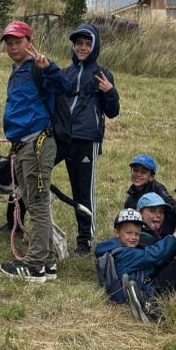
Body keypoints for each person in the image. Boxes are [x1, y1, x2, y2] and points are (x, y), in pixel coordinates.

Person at [0, 21, 68, 282]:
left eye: (18, 41)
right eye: (9, 42)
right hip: (22, 145)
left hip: (38, 143)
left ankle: (35, 265)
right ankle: (47, 263)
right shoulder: (16, 72)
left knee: (37, 203)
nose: (13, 46)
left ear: (30, 42)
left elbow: (64, 86)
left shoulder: (39, 68)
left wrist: (49, 68)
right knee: (32, 200)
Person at [57, 23, 120, 253]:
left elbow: (112, 112)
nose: (82, 47)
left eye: (87, 43)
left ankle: (84, 240)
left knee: (83, 190)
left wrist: (110, 92)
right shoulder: (65, 73)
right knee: (36, 171)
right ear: (73, 46)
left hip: (86, 138)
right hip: (62, 136)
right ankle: (20, 221)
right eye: (78, 43)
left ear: (95, 46)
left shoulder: (103, 74)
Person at [96, 207, 176, 318]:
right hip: (148, 295)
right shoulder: (122, 254)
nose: (133, 237)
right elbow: (151, 255)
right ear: (116, 233)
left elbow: (153, 263)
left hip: (145, 289)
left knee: (174, 266)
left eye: (137, 234)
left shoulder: (115, 249)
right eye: (129, 233)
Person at [122, 154, 176, 232]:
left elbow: (173, 206)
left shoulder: (158, 189)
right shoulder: (131, 197)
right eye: (135, 170)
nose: (138, 174)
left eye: (143, 172)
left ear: (151, 177)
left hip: (160, 236)